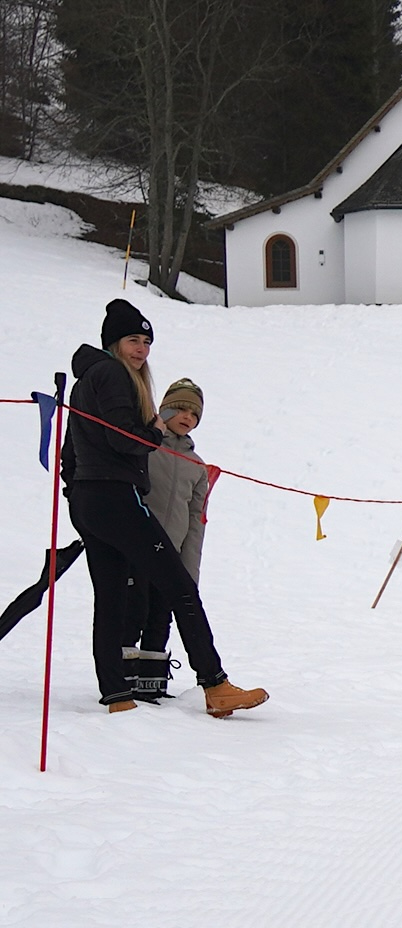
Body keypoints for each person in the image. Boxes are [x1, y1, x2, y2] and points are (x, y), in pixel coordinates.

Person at [63, 299, 267, 717]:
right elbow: (124, 438)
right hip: (116, 497)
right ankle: (215, 684)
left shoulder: (86, 380)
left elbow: (71, 453)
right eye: (133, 340)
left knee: (111, 599)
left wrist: (77, 493)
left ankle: (117, 695)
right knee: (179, 586)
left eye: (146, 342)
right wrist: (154, 431)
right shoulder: (113, 374)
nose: (141, 350)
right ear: (114, 343)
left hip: (89, 499)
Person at [126, 377, 209, 701]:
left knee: (161, 616)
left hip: (171, 554)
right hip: (138, 546)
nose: (188, 416)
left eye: (195, 413)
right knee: (133, 611)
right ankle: (123, 679)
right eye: (182, 408)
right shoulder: (146, 446)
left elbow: (195, 521)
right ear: (166, 409)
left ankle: (151, 683)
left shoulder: (197, 466)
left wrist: (189, 570)